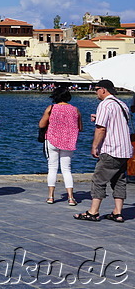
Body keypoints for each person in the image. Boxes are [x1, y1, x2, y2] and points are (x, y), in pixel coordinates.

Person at [74, 80, 132, 223]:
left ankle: (93, 212)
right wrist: (97, 118)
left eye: (96, 89)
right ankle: (118, 212)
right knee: (119, 180)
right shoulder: (122, 105)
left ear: (104, 90)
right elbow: (117, 123)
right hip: (125, 149)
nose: (95, 92)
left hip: (111, 149)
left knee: (99, 180)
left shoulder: (105, 105)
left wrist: (95, 146)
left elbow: (101, 129)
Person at [39, 86, 81, 205]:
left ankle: (51, 196)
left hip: (52, 140)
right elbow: (80, 127)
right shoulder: (75, 110)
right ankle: (71, 197)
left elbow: (42, 124)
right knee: (66, 169)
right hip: (68, 142)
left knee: (52, 168)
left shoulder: (51, 108)